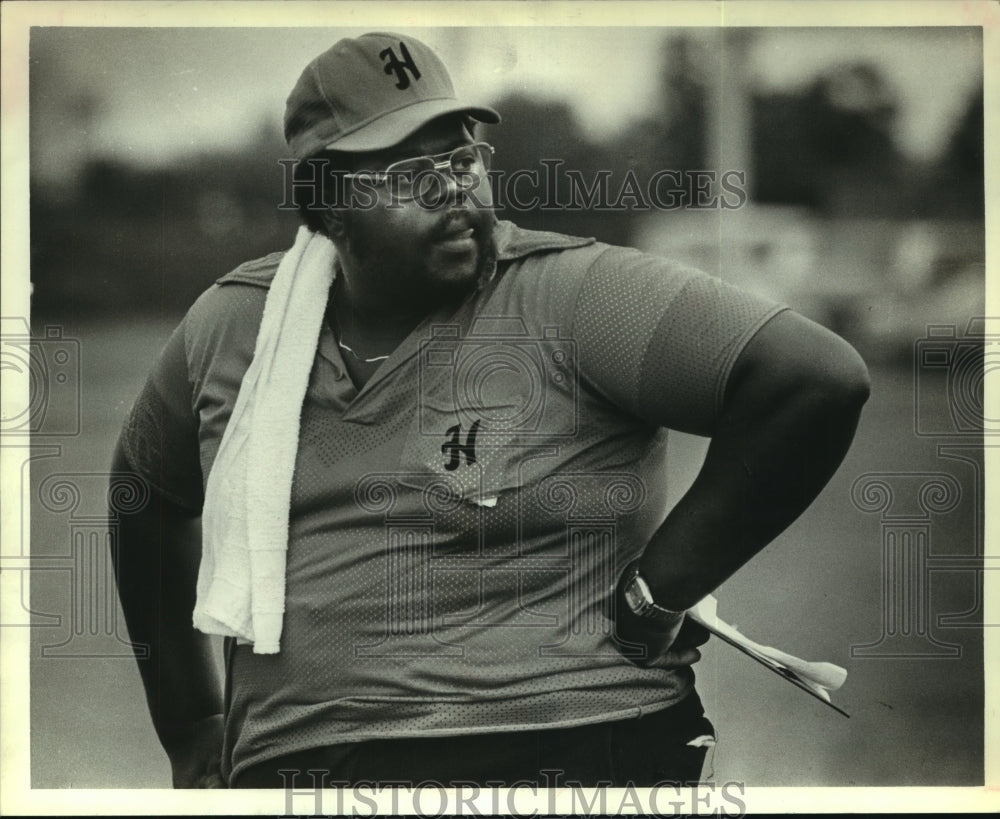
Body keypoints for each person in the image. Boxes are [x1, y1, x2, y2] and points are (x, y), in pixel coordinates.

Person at [110, 31, 870, 790]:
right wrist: (190, 725)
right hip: (305, 765)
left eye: (464, 158)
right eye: (413, 172)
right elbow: (142, 489)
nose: (456, 190)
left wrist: (661, 586)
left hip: (565, 743)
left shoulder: (572, 295)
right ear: (331, 204)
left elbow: (815, 380)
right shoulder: (236, 326)